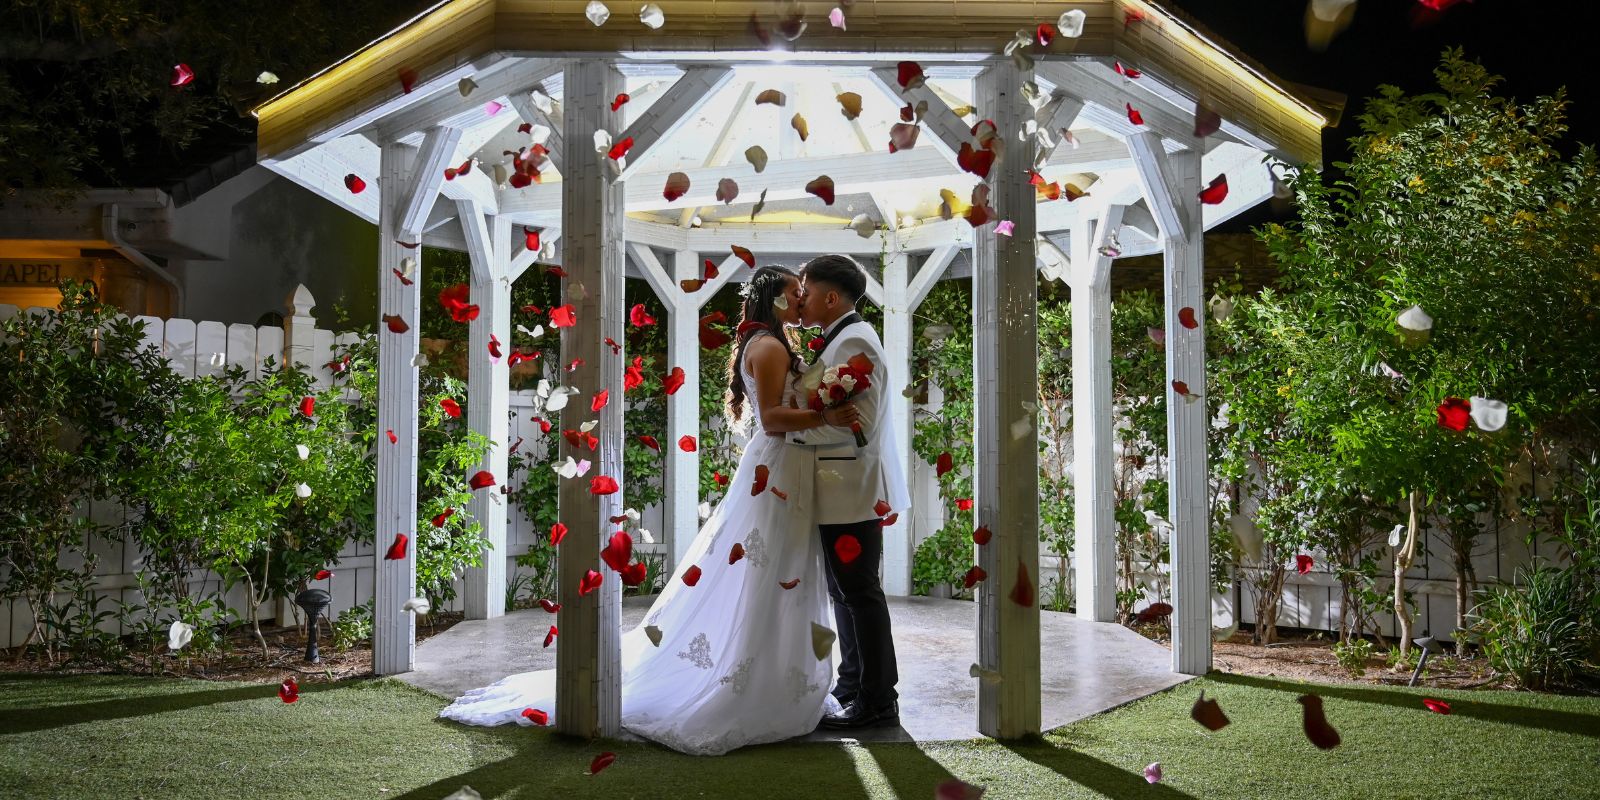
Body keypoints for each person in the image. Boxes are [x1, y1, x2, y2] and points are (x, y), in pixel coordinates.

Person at [438, 265, 861, 756]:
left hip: (788, 469)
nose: (802, 297)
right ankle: (751, 683)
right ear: (777, 300)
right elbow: (770, 419)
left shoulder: (773, 343)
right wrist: (825, 414)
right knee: (768, 572)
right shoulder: (766, 347)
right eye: (795, 292)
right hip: (778, 464)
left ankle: (776, 675)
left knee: (780, 571)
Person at [787, 254, 912, 730]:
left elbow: (852, 426)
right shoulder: (840, 338)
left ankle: (880, 700)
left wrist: (789, 434)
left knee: (860, 592)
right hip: (839, 486)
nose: (800, 297)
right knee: (845, 592)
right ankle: (853, 681)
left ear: (831, 297)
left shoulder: (855, 339)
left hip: (852, 485)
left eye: (806, 288)